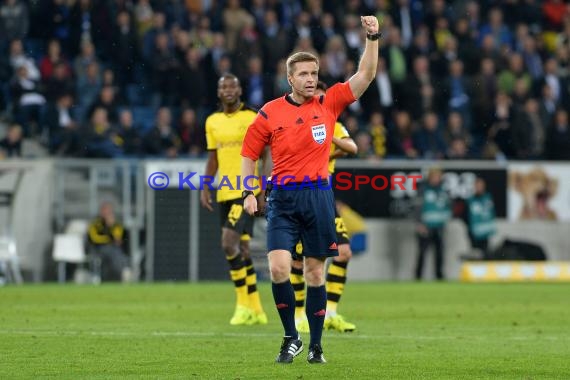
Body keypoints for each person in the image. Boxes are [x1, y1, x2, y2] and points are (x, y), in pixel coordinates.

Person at [241, 16, 380, 364]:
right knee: (278, 268)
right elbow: (249, 154)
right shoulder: (270, 112)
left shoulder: (329, 104)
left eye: (314, 73)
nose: (310, 79)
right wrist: (248, 191)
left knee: (316, 272)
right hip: (282, 199)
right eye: (303, 74)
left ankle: (316, 346)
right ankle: (291, 337)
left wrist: (373, 38)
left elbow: (365, 76)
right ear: (290, 79)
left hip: (318, 196)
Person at [200, 73, 268, 326]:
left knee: (229, 244)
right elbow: (213, 158)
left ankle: (241, 304)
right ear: (218, 92)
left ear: (240, 90)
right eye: (223, 87)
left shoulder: (252, 117)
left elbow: (264, 155)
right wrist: (205, 186)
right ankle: (257, 309)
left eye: (232, 86)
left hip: (245, 192)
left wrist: (262, 188)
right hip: (224, 192)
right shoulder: (212, 121)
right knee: (244, 250)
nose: (228, 90)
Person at [290, 81, 358, 334]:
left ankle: (330, 313)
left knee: (343, 252)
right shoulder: (297, 123)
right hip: (300, 195)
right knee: (298, 260)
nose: (317, 102)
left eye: (322, 98)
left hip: (325, 198)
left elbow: (353, 147)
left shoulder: (334, 123)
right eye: (314, 98)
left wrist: (331, 143)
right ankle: (299, 315)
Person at [415, 167, 451, 280]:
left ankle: (439, 276)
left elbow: (448, 207)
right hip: (426, 226)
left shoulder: (444, 191)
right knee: (422, 253)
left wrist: (446, 219)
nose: (436, 179)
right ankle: (418, 276)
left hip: (439, 226)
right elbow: (417, 208)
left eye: (438, 176)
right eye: (434, 176)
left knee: (440, 253)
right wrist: (419, 223)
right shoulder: (423, 190)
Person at [88, 202, 132, 282]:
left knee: (116, 252)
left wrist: (111, 226)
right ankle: (124, 271)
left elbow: (118, 238)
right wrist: (109, 238)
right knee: (112, 251)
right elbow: (94, 238)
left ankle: (122, 273)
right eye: (105, 211)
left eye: (109, 211)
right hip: (98, 249)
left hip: (113, 249)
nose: (107, 213)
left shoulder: (116, 224)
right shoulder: (95, 224)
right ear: (101, 212)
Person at [465, 177, 496, 259]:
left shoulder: (488, 198)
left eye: (480, 185)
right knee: (475, 255)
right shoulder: (470, 200)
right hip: (474, 233)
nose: (479, 187)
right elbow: (466, 216)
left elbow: (491, 214)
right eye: (477, 185)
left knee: (487, 255)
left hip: (485, 233)